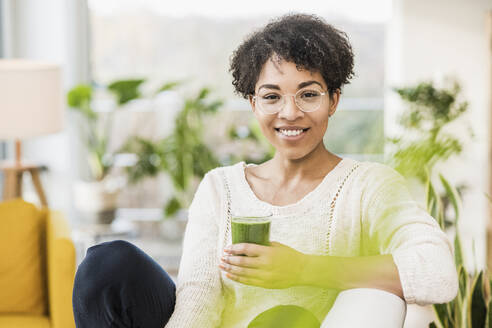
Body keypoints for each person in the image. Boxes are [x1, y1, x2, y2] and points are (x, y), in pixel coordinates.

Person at [72, 13, 458, 328]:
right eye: (272, 96)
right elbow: (198, 297)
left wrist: (305, 268)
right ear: (253, 104)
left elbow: (439, 273)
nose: (290, 113)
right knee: (107, 262)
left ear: (334, 100)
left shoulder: (370, 186)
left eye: (309, 94)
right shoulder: (220, 187)